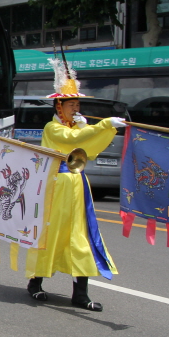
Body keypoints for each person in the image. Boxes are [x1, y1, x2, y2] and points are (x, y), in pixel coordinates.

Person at [23, 58, 125, 310]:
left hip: (77, 184)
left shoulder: (78, 126)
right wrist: (104, 124)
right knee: (52, 234)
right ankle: (35, 282)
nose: (75, 108)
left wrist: (101, 129)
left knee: (81, 237)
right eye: (71, 105)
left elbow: (88, 147)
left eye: (77, 104)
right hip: (56, 185)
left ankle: (80, 294)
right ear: (59, 107)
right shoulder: (52, 128)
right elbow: (72, 140)